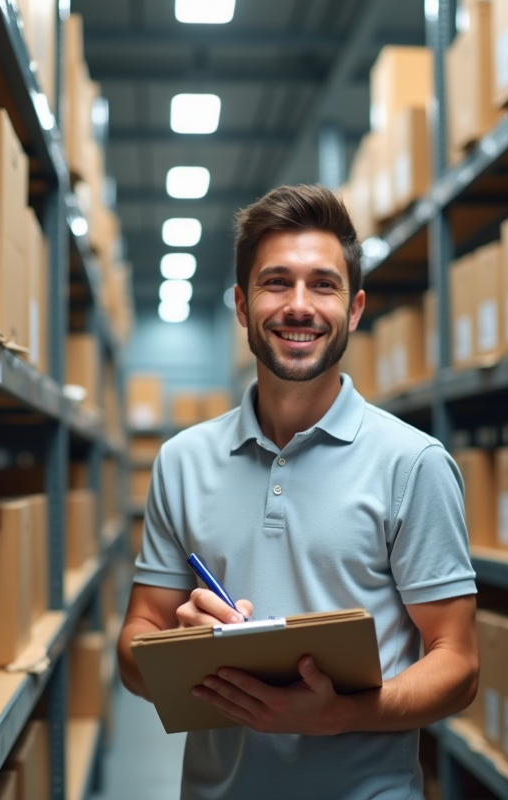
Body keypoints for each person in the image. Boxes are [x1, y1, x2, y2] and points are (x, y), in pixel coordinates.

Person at [116, 184, 478, 800]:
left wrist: (342, 713)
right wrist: (179, 654)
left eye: (324, 285)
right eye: (276, 282)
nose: (299, 306)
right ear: (240, 304)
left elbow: (458, 663)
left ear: (355, 308)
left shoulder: (412, 463)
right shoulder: (181, 461)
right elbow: (134, 642)